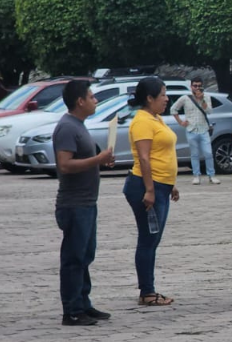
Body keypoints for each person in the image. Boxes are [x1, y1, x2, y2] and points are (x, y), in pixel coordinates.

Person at [52, 79, 115, 326]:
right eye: (91, 96)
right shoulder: (67, 127)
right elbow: (65, 165)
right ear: (80, 101)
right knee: (74, 257)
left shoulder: (79, 125)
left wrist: (100, 160)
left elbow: (85, 159)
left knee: (85, 255)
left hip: (87, 202)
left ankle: (83, 303)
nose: (95, 100)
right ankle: (72, 310)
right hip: (74, 203)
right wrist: (97, 159)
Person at [121, 77, 180, 307]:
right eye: (163, 95)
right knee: (148, 239)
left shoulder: (155, 118)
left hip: (160, 185)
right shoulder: (142, 121)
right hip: (146, 186)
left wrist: (171, 183)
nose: (166, 99)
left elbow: (161, 154)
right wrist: (150, 190)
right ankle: (147, 291)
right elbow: (144, 157)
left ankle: (148, 288)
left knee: (152, 239)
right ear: (149, 98)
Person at [171, 77, 219, 185]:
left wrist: (202, 100)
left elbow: (209, 111)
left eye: (199, 86)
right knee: (194, 154)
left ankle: (211, 175)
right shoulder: (185, 98)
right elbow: (173, 109)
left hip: (204, 129)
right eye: (195, 86)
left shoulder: (206, 96)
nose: (197, 88)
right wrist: (180, 122)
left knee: (208, 153)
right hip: (191, 129)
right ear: (191, 86)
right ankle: (196, 175)